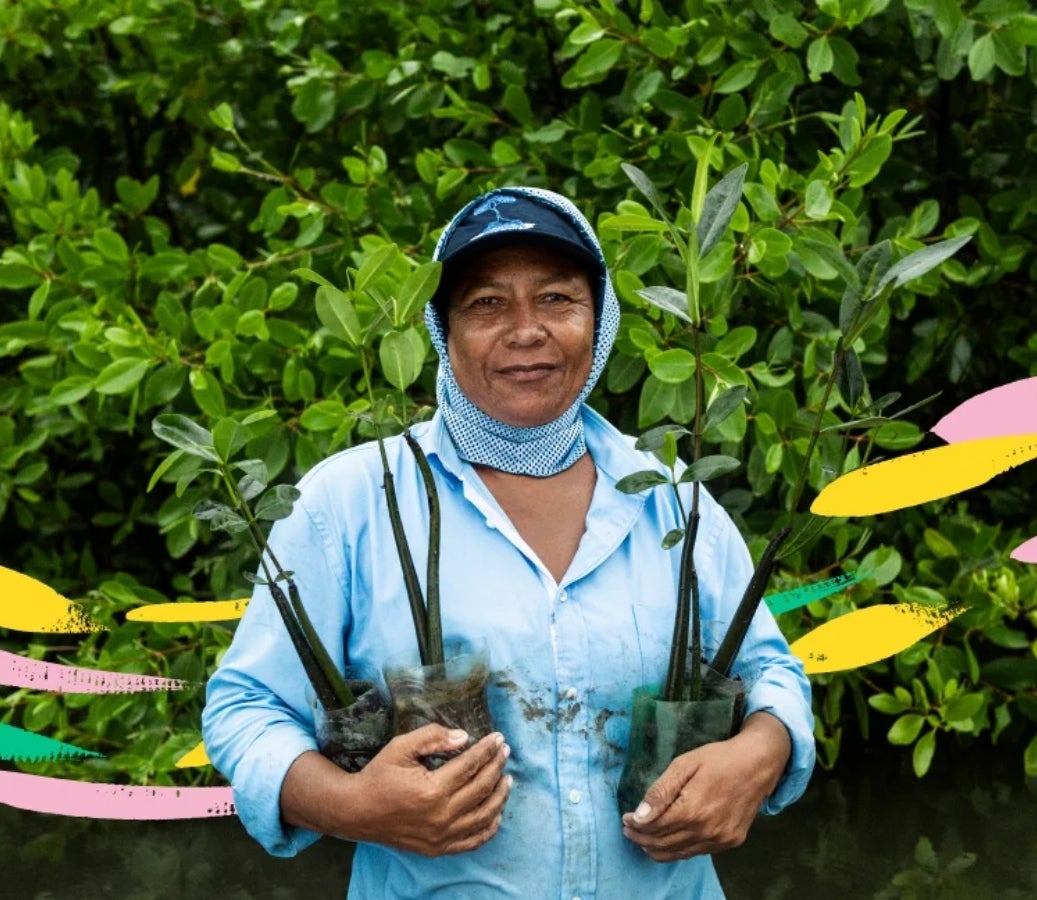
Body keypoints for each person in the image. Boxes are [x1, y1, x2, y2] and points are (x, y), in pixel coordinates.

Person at [202, 187, 814, 899]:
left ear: (600, 318)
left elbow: (771, 670)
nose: (526, 331)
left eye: (556, 298)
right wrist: (352, 805)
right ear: (441, 329)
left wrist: (760, 753)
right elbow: (246, 706)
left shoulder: (671, 496)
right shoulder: (349, 504)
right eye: (486, 304)